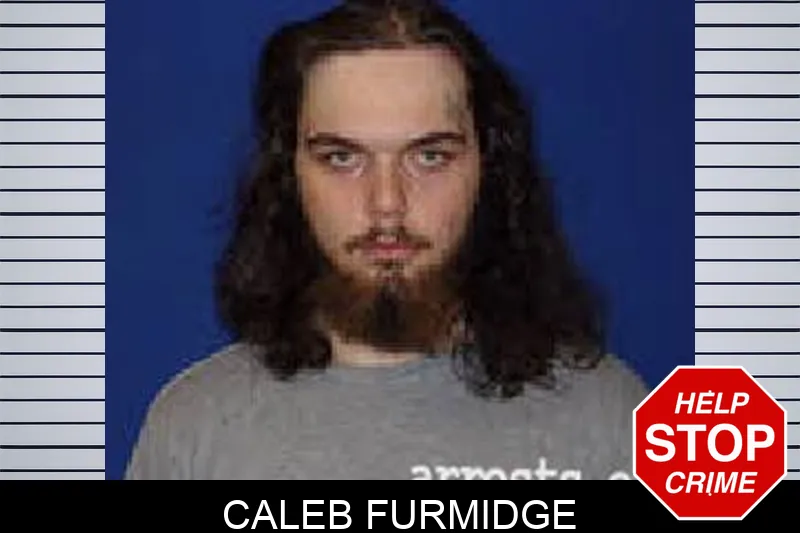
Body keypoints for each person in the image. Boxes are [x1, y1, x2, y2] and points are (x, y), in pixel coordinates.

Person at [126, 0, 648, 480]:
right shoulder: (195, 429)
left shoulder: (611, 417)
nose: (387, 203)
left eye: (429, 157)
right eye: (342, 158)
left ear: (488, 170)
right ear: (289, 176)